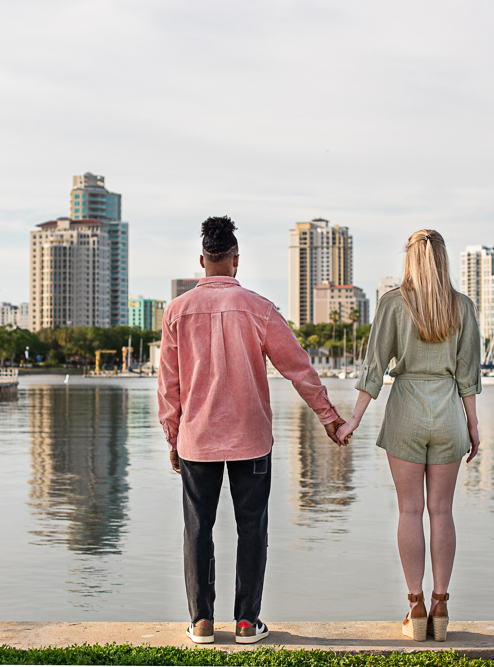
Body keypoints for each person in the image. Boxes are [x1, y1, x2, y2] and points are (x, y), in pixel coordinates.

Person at [158, 216, 346, 645]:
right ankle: (246, 622)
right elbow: (298, 367)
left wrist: (173, 437)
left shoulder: (176, 311)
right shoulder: (259, 308)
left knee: (197, 530)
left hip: (197, 440)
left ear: (202, 260)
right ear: (236, 261)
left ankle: (202, 623)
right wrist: (329, 417)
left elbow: (168, 385)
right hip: (251, 440)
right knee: (252, 528)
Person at [336, 229, 481, 643]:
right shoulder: (463, 307)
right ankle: (441, 604)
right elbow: (468, 376)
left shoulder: (393, 303)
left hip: (406, 413)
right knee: (442, 511)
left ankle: (415, 606)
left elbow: (374, 368)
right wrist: (473, 426)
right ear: (443, 260)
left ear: (410, 260)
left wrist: (354, 420)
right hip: (449, 411)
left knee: (409, 511)